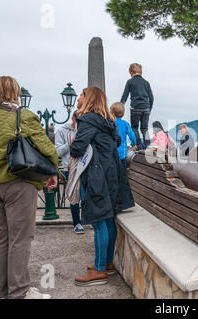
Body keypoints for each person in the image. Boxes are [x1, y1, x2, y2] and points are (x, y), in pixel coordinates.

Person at [0, 76, 58, 299]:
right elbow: (47, 148)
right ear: (15, 92)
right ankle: (19, 291)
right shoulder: (23, 115)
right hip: (17, 183)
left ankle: (0, 292)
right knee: (20, 238)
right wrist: (53, 172)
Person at [71, 87, 135, 286]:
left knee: (99, 220)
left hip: (98, 175)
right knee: (108, 219)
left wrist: (76, 142)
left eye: (81, 95)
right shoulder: (109, 120)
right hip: (113, 172)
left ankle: (99, 270)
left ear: (88, 98)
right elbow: (117, 141)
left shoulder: (87, 120)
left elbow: (77, 149)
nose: (79, 98)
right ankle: (107, 263)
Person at [55, 111, 84, 234]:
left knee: (86, 195)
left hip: (85, 166)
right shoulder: (62, 131)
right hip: (69, 168)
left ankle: (89, 219)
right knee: (74, 196)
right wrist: (69, 144)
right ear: (73, 118)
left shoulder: (85, 129)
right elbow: (57, 152)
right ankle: (77, 223)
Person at [120, 63, 154, 149]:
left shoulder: (130, 82)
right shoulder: (146, 83)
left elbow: (125, 96)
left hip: (135, 107)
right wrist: (149, 109)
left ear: (131, 72)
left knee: (135, 128)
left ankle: (138, 145)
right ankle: (147, 146)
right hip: (146, 108)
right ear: (141, 72)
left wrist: (120, 107)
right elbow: (151, 98)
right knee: (144, 128)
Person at [110, 102, 137, 169]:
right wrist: (134, 144)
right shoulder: (125, 124)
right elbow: (132, 136)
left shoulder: (109, 123)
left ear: (111, 112)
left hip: (111, 153)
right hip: (122, 154)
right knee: (122, 171)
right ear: (123, 113)